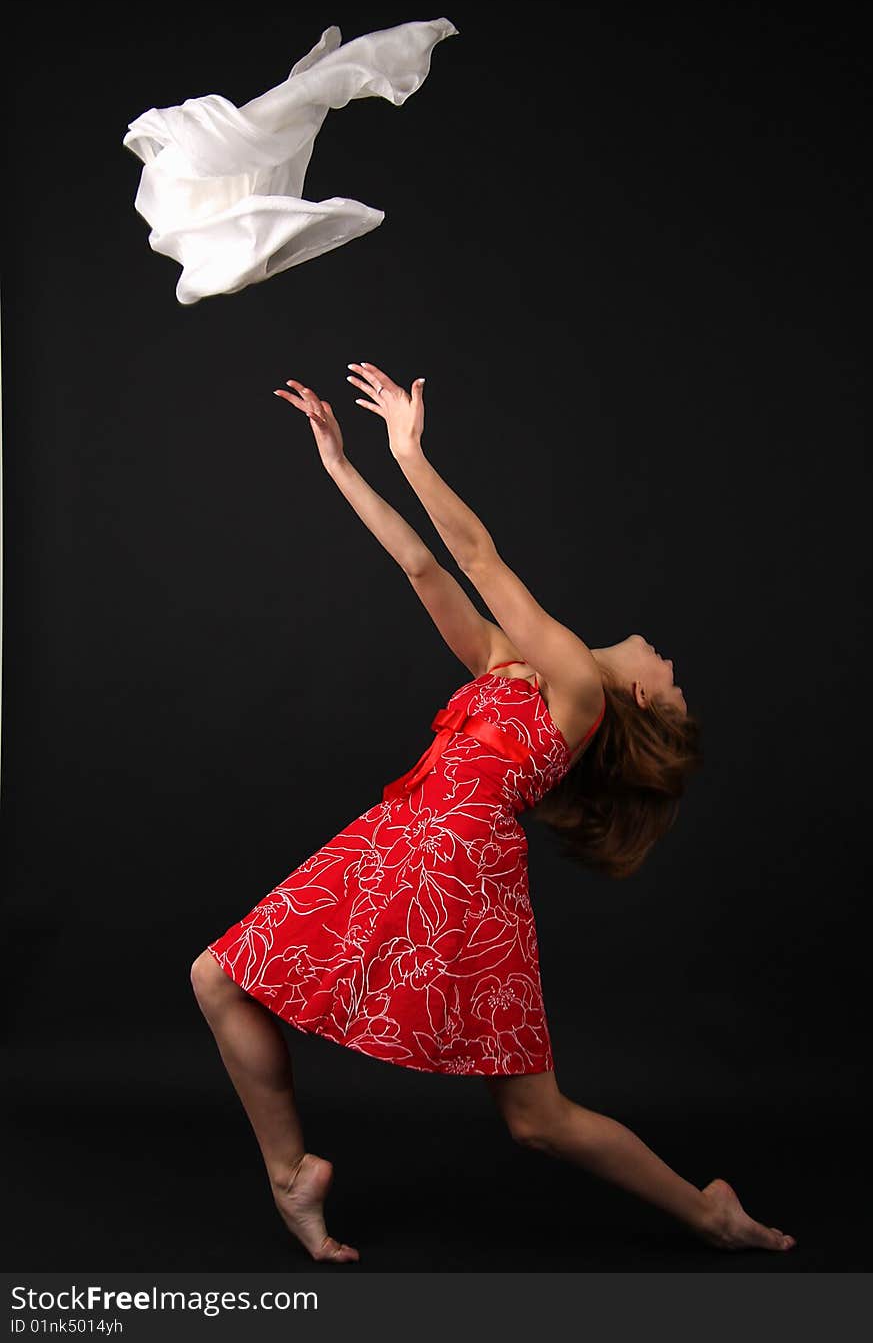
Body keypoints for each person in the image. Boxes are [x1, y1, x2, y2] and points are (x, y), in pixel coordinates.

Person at [190, 361, 796, 1263]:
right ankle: (291, 1176)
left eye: (669, 679)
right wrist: (343, 468)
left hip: (454, 864)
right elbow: (425, 565)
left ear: (636, 697)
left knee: (536, 1119)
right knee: (226, 981)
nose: (668, 658)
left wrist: (410, 450)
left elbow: (480, 556)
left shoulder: (580, 693)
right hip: (406, 837)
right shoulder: (510, 668)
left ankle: (711, 1215)